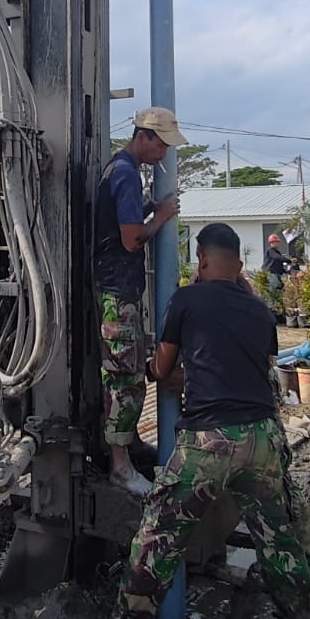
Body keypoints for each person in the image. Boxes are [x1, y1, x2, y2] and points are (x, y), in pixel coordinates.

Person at [113, 221, 310, 619]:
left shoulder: (185, 300)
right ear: (241, 266)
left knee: (158, 539)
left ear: (201, 259)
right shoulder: (262, 311)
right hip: (264, 438)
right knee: (278, 539)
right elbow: (251, 368)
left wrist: (170, 372)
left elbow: (160, 370)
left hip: (210, 442)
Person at [94, 106, 184, 495]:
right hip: (118, 290)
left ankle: (127, 446)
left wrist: (150, 210)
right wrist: (161, 215)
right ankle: (119, 464)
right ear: (143, 136)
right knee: (124, 377)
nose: (164, 153)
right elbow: (131, 239)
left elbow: (120, 224)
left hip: (119, 287)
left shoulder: (119, 169)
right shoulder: (127, 175)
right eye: (161, 144)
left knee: (127, 372)